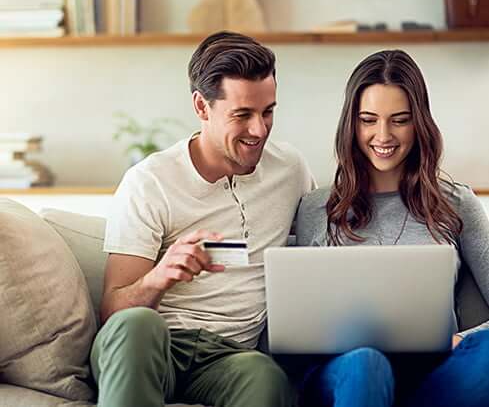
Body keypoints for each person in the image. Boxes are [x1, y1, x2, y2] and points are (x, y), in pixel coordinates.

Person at [90, 31, 315, 407]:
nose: (259, 130)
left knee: (265, 375)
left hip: (229, 359)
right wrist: (159, 277)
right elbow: (113, 312)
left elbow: (323, 239)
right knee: (137, 325)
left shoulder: (289, 169)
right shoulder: (150, 182)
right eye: (242, 115)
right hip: (153, 345)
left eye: (268, 111)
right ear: (201, 106)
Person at [295, 49, 489, 407]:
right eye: (368, 119)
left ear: (419, 123)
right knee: (368, 363)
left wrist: (464, 338)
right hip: (349, 371)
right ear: (351, 124)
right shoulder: (316, 208)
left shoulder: (456, 203)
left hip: (434, 372)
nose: (383, 135)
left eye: (399, 120)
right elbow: (303, 324)